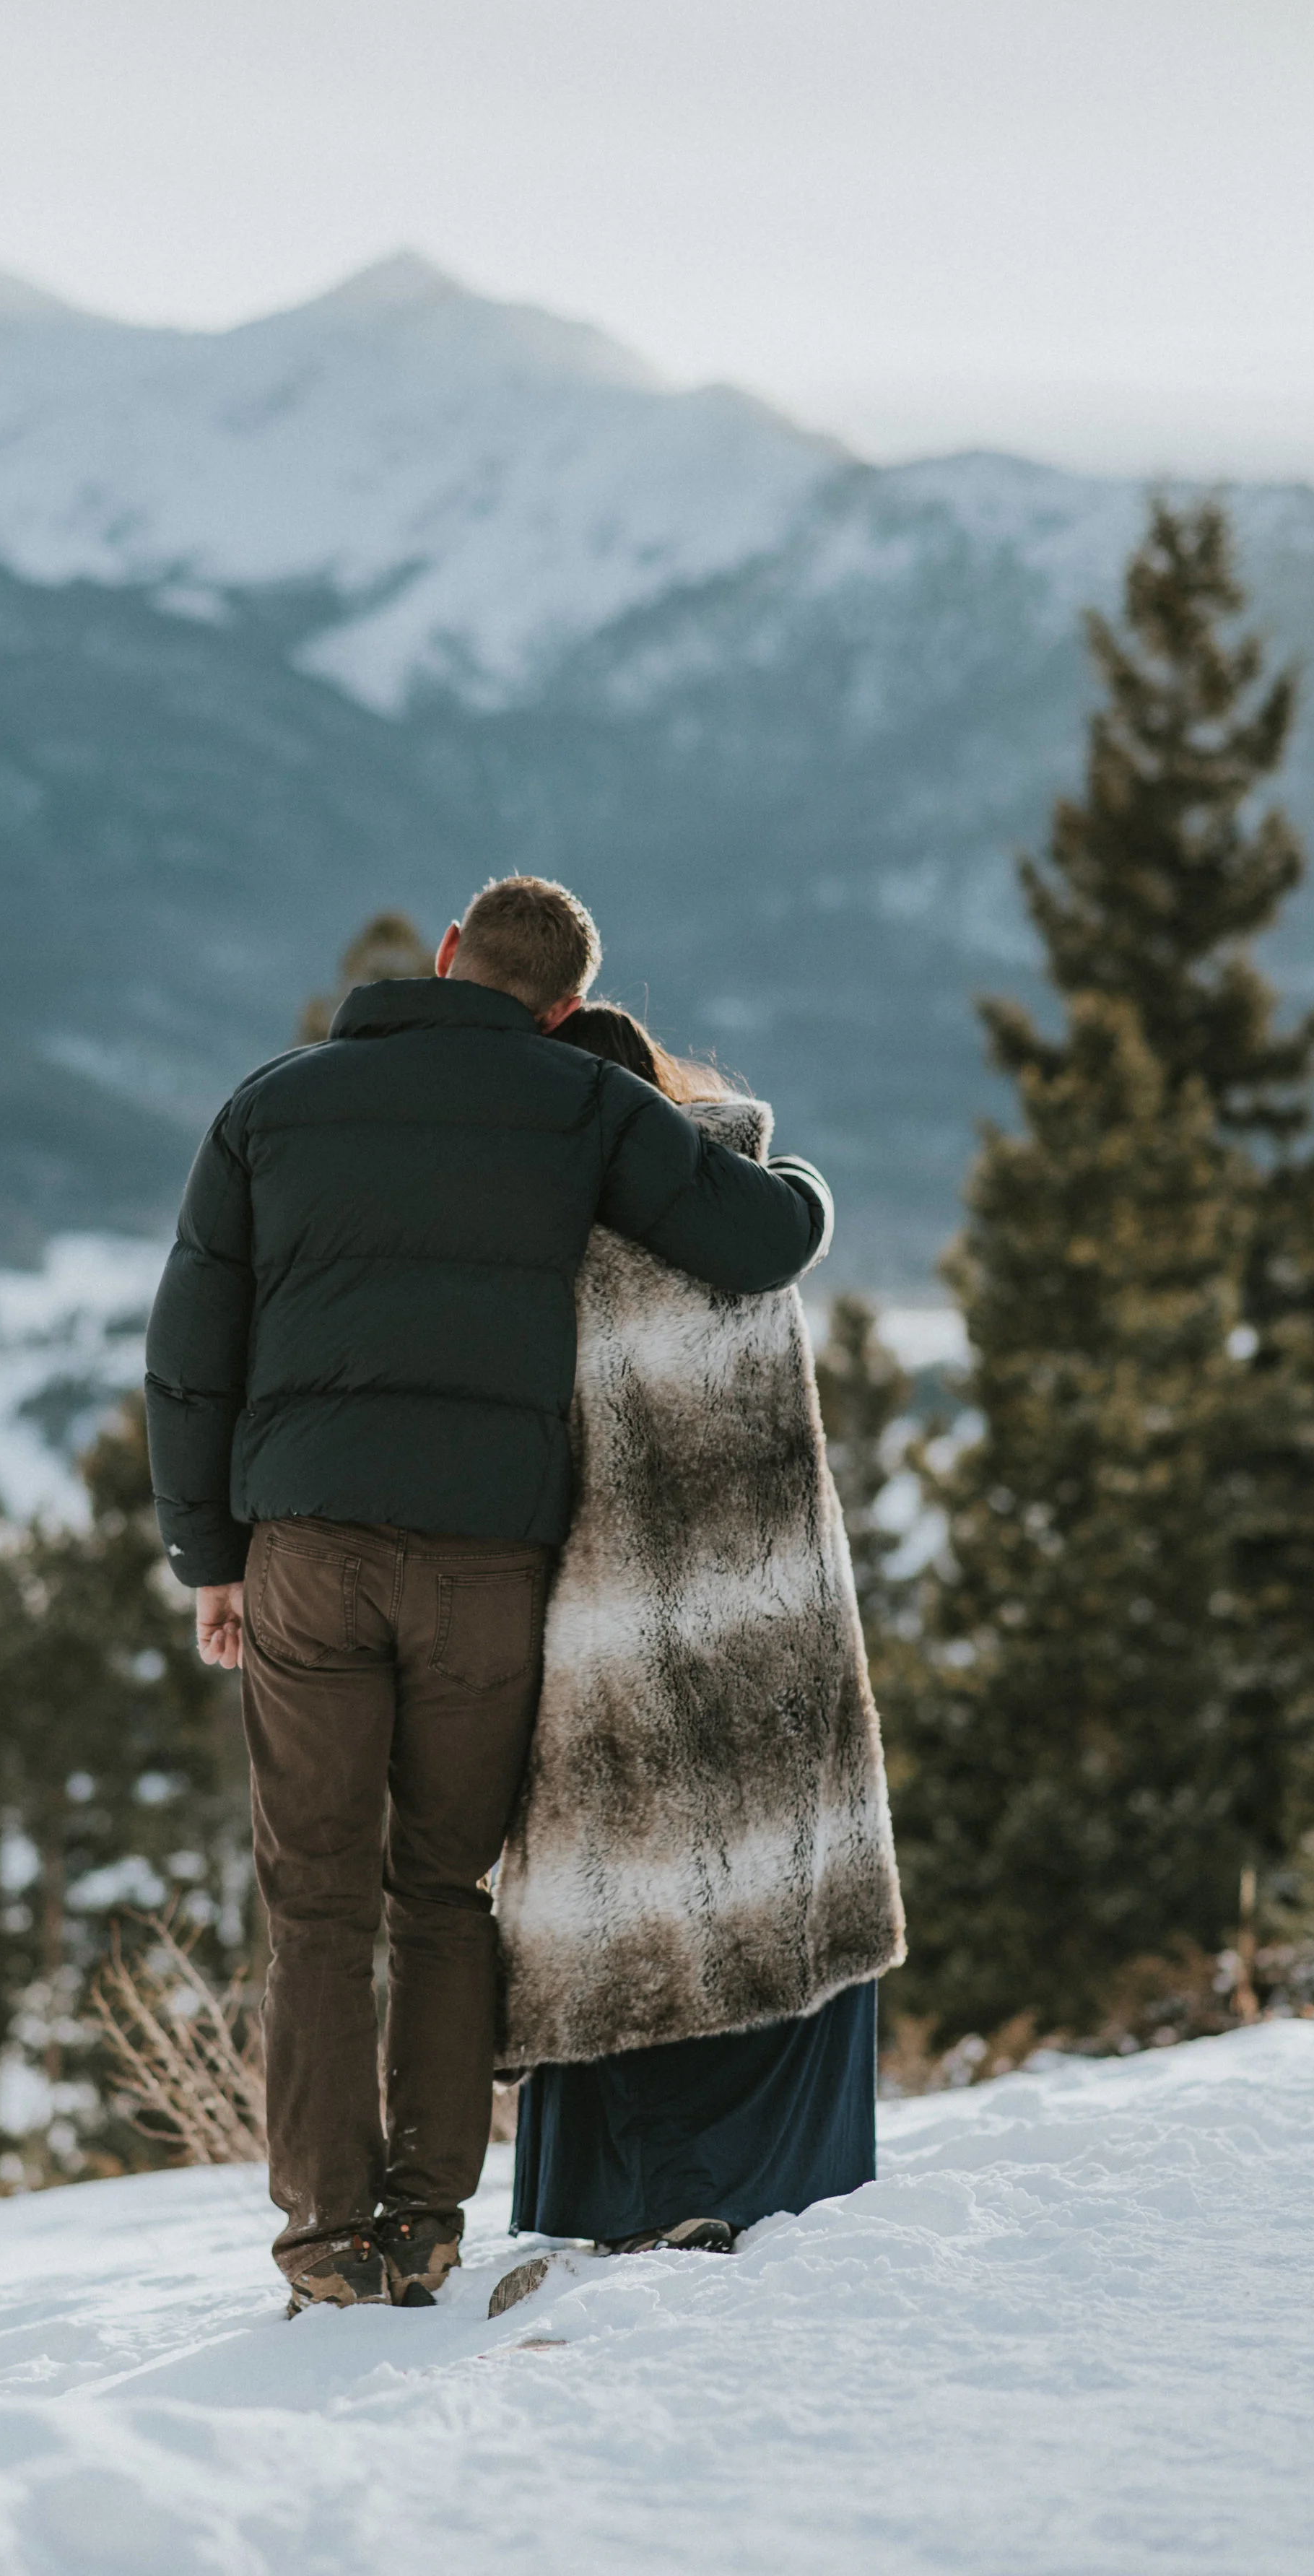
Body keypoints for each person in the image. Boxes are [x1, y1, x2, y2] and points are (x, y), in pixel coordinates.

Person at [144, 879, 832, 2312]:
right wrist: (810, 1185)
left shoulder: (272, 1103)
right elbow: (757, 1238)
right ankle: (427, 2214)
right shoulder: (579, 1106)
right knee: (443, 1893)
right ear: (567, 1007)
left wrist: (210, 1555)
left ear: (446, 957)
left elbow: (190, 1347)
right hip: (483, 1564)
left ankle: (325, 2237)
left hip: (307, 1551)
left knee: (312, 1899)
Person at [496, 1002, 905, 2264]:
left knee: (624, 1923)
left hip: (607, 1662)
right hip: (777, 1641)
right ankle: (775, 2178)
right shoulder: (740, 1221)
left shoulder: (536, 1248)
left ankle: (629, 2203)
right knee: (783, 1898)